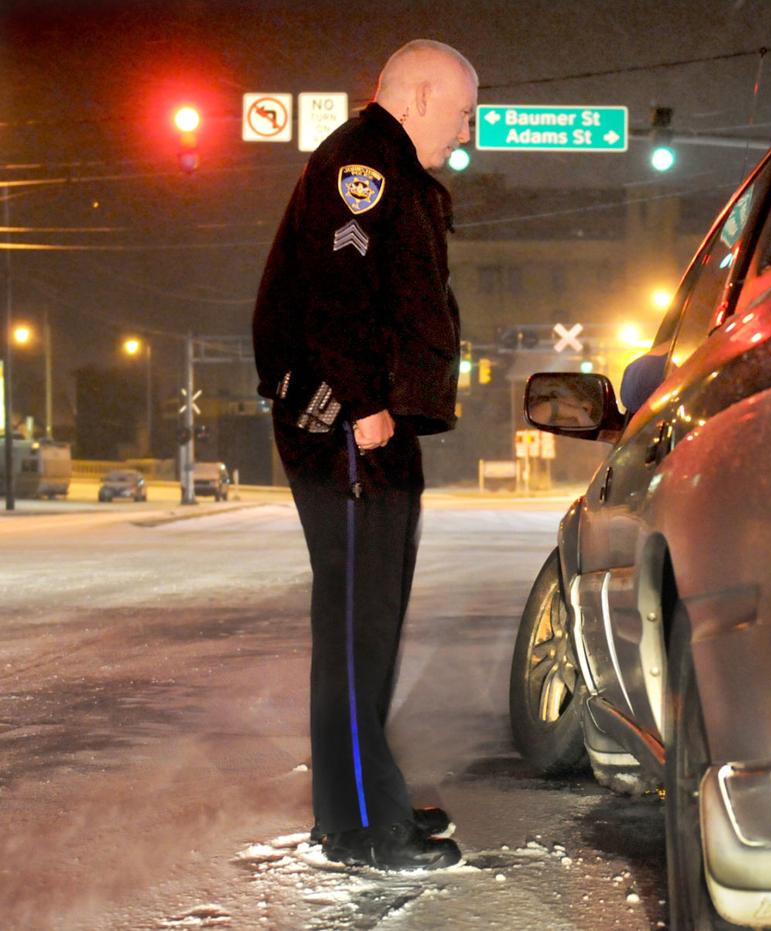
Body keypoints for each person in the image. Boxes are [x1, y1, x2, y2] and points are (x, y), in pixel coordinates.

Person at [251, 39, 477, 870]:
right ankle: (359, 830)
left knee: (370, 627)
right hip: (346, 426)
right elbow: (335, 294)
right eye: (460, 111)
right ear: (416, 97)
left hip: (374, 426)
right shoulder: (360, 166)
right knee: (355, 628)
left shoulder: (392, 170)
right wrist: (363, 403)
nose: (467, 129)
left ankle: (365, 807)